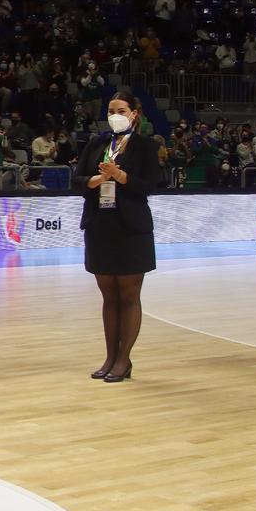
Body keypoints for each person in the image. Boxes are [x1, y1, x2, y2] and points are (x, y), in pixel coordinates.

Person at [72, 92, 160, 384]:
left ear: (135, 113)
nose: (115, 114)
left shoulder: (146, 146)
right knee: (108, 296)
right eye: (111, 110)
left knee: (129, 295)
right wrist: (94, 181)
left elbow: (151, 185)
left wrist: (120, 177)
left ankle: (124, 359)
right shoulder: (97, 143)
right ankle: (110, 356)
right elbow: (77, 179)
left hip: (131, 228)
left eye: (121, 109)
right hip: (100, 225)